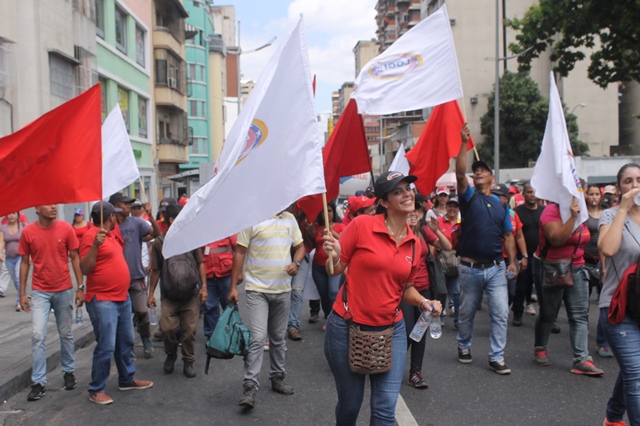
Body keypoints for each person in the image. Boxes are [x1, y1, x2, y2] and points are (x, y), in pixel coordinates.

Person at [322, 171, 442, 425]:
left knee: (385, 409)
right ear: (384, 202)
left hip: (391, 330)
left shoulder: (414, 242)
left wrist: (424, 302)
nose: (407, 193)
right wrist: (333, 255)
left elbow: (407, 288)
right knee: (350, 404)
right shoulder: (362, 226)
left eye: (408, 188)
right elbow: (335, 270)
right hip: (346, 327)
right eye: (397, 191)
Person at [455, 125, 518, 375]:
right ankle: (463, 345)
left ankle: (496, 357)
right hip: (469, 269)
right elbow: (460, 173)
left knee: (501, 313)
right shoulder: (469, 197)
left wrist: (512, 262)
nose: (478, 173)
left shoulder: (501, 205)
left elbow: (509, 235)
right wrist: (463, 143)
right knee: (467, 311)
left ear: (492, 178)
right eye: (476, 171)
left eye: (483, 171)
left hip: (496, 268)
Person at [228, 210, 305, 409]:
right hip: (257, 289)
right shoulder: (251, 218)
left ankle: (277, 377)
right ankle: (250, 386)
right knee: (258, 337)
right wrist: (233, 287)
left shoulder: (289, 219)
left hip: (283, 289)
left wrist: (295, 263)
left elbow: (300, 247)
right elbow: (240, 252)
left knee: (279, 337)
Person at [80, 201, 154, 405]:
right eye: (115, 215)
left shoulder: (112, 234)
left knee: (126, 341)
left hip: (121, 298)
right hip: (103, 300)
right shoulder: (90, 237)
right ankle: (96, 389)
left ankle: (126, 378)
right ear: (110, 217)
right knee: (106, 346)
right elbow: (84, 268)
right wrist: (95, 245)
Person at [18, 205, 84, 401]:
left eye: (55, 203)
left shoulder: (66, 229)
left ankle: (69, 372)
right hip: (40, 291)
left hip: (63, 289)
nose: (54, 207)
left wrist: (80, 287)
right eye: (48, 204)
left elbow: (74, 257)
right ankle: (38, 381)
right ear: (37, 209)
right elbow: (24, 262)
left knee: (66, 333)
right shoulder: (29, 232)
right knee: (38, 335)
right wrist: (22, 294)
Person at [532, 198, 603, 375]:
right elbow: (556, 239)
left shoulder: (582, 211)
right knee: (549, 314)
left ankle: (581, 359)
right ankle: (541, 346)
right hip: (553, 268)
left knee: (580, 315)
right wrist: (572, 218)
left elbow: (584, 238)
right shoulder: (550, 212)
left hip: (578, 267)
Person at [598, 163, 640, 426]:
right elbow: (608, 249)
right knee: (636, 373)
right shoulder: (610, 215)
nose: (635, 185)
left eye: (639, 179)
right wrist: (623, 209)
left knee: (632, 369)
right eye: (628, 181)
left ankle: (613, 417)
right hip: (619, 305)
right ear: (619, 187)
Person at [148, 204, 207, 379]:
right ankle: (171, 354)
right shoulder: (160, 243)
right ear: (173, 220)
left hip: (191, 296)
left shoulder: (191, 239)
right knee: (167, 329)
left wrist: (204, 287)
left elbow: (200, 263)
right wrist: (151, 293)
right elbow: (156, 270)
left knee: (189, 331)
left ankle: (188, 361)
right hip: (169, 297)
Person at [401, 206, 451, 389]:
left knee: (419, 333)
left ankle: (415, 373)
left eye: (416, 212)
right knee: (406, 331)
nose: (412, 215)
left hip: (425, 291)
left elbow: (447, 247)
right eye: (408, 212)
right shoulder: (397, 233)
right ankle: (392, 365)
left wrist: (436, 230)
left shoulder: (423, 232)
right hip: (404, 291)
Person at [109, 193, 160, 359]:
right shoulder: (109, 226)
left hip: (136, 276)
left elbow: (155, 233)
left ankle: (146, 339)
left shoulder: (137, 222)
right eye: (126, 203)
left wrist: (151, 215)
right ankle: (126, 346)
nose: (129, 206)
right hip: (116, 280)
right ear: (115, 206)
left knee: (142, 312)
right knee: (121, 316)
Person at [583, 184, 612, 358]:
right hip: (584, 261)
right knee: (582, 304)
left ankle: (602, 340)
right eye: (591, 194)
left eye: (596, 194)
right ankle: (582, 335)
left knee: (604, 304)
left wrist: (604, 267)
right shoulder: (582, 214)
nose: (594, 197)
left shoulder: (607, 214)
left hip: (603, 262)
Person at [492, 183, 528, 312]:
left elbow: (519, 236)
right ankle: (498, 316)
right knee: (495, 292)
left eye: (499, 196)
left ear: (506, 198)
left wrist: (524, 256)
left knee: (511, 291)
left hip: (510, 260)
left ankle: (503, 312)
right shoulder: (488, 212)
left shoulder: (512, 214)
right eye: (493, 196)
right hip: (494, 260)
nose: (496, 199)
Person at [309, 200, 346, 328]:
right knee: (323, 294)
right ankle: (328, 317)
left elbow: (344, 241)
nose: (327, 213)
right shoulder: (317, 227)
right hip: (318, 266)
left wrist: (331, 231)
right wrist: (309, 228)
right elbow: (311, 242)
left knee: (333, 292)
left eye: (330, 211)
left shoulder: (341, 226)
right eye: (325, 211)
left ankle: (334, 318)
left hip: (334, 264)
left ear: (333, 212)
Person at [513, 183, 545, 326]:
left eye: (534, 192)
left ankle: (547, 317)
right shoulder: (516, 212)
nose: (532, 195)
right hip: (523, 256)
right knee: (521, 286)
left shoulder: (545, 211)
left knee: (543, 288)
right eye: (529, 192)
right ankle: (517, 313)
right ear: (523, 194)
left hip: (542, 256)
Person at [202, 235, 237, 341]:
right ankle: (213, 336)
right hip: (207, 273)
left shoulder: (227, 227)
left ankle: (232, 333)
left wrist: (238, 273)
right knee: (209, 306)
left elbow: (238, 249)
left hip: (226, 273)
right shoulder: (200, 230)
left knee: (229, 304)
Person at [436, 197, 462, 327]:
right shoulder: (438, 222)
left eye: (455, 206)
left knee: (457, 292)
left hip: (457, 264)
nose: (452, 209)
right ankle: (439, 317)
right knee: (442, 292)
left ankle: (457, 320)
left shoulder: (462, 223)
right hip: (441, 263)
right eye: (450, 206)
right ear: (446, 207)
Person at [0, 212, 26, 310]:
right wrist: (0, 253)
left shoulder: (23, 226)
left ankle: (19, 301)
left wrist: (30, 255)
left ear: (18, 216)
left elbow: (28, 240)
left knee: (18, 277)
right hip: (9, 258)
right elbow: (1, 241)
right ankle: (23, 295)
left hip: (21, 257)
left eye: (14, 214)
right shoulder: (3, 228)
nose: (11, 216)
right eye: (9, 214)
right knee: (16, 280)